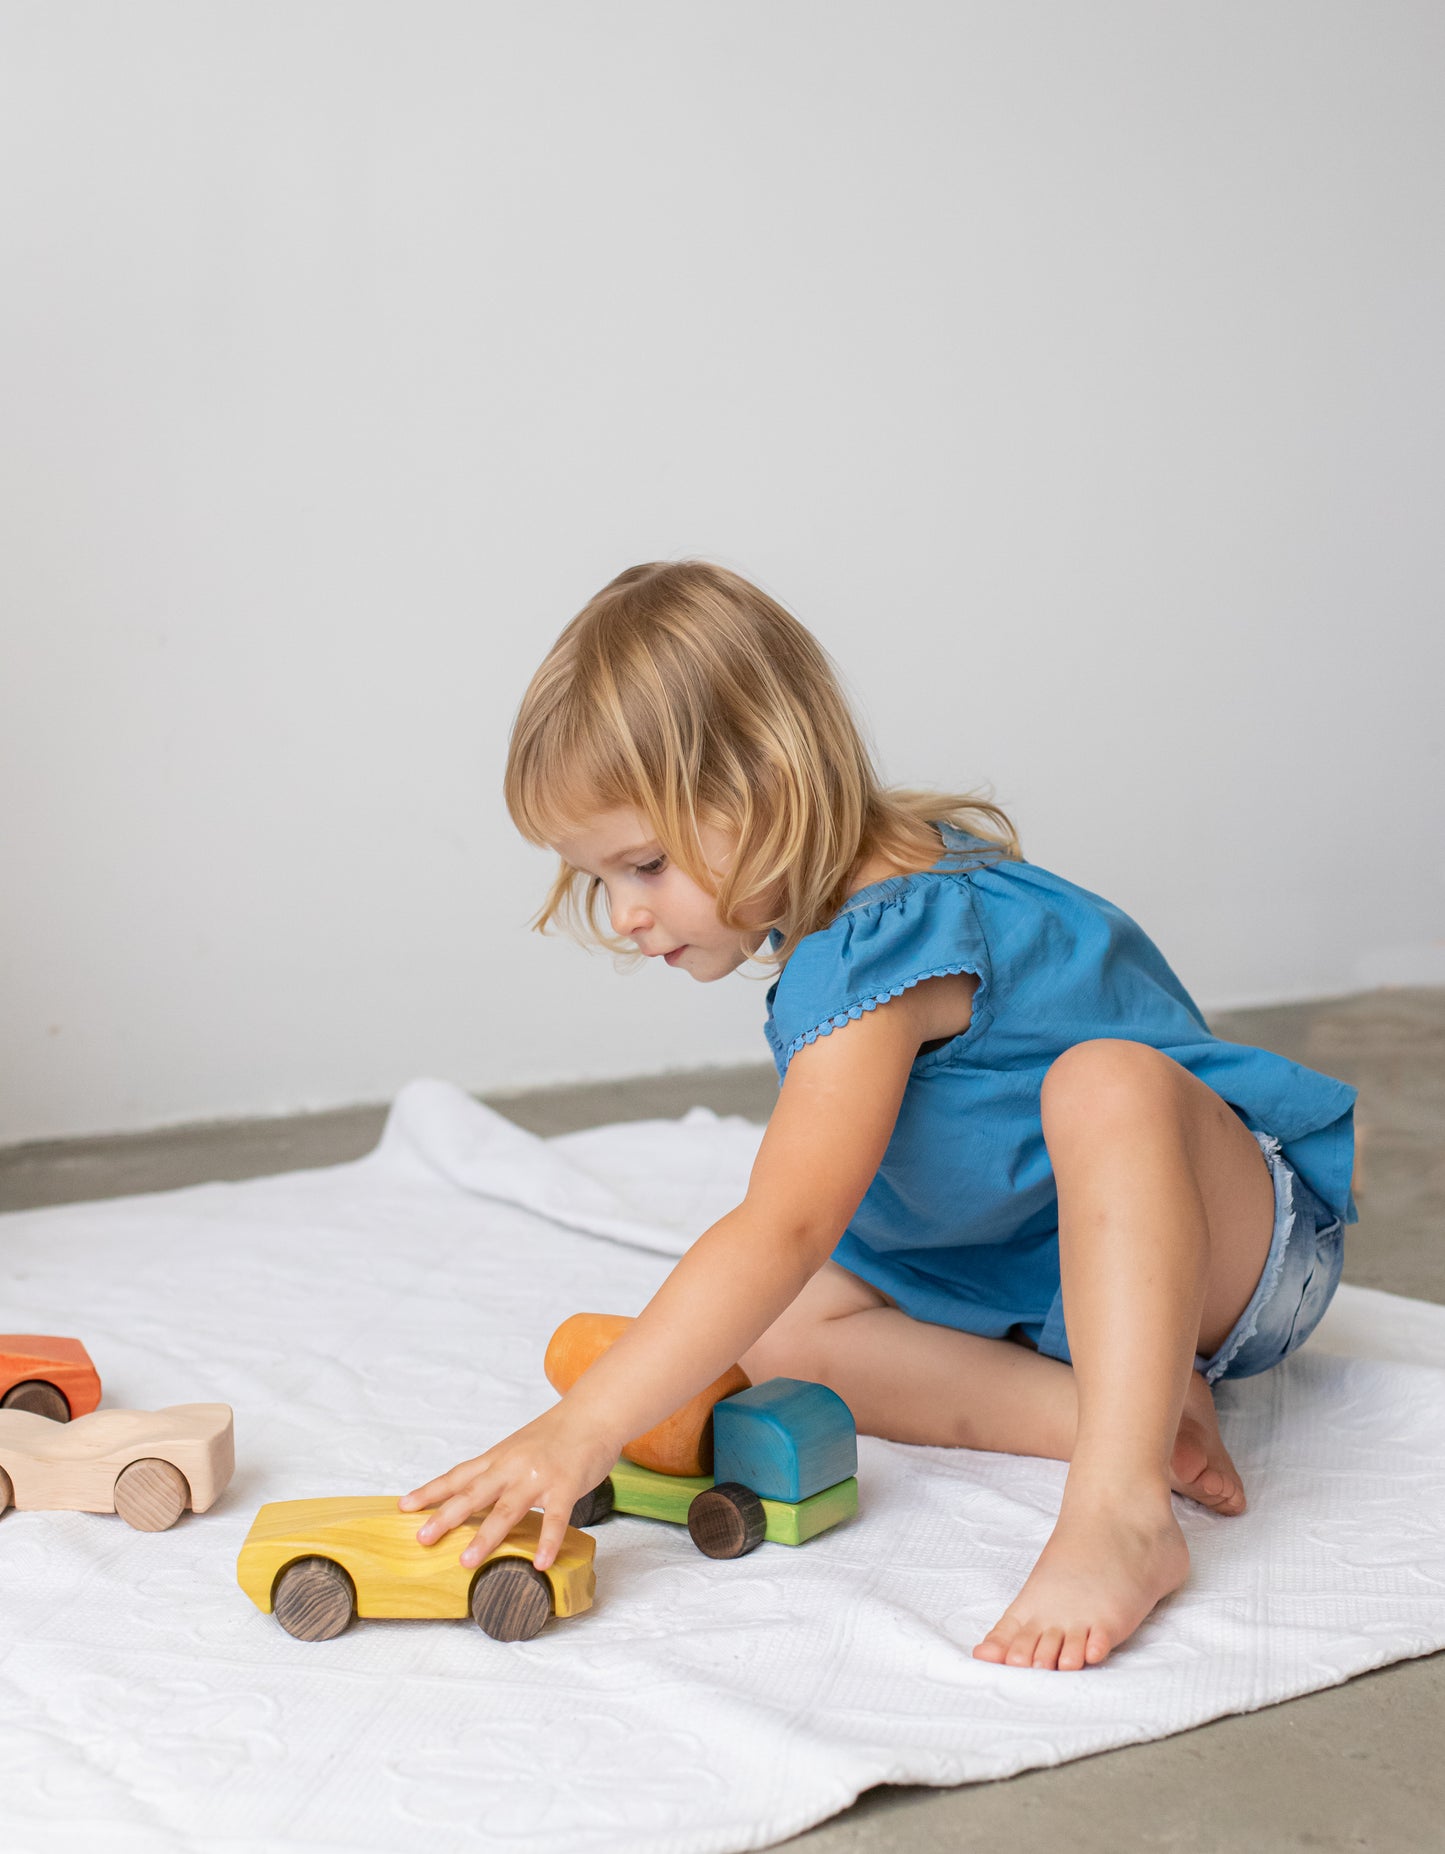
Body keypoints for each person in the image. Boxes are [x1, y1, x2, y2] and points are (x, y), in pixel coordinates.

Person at [400, 559, 1356, 1671]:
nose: (623, 916)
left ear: (760, 782)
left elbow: (786, 1223)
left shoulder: (882, 938)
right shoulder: (835, 919)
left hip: (1226, 1242)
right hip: (1023, 1263)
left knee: (1105, 1083)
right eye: (597, 879)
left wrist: (580, 1429)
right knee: (779, 1334)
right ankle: (1127, 1412)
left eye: (646, 865)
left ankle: (1120, 1506)